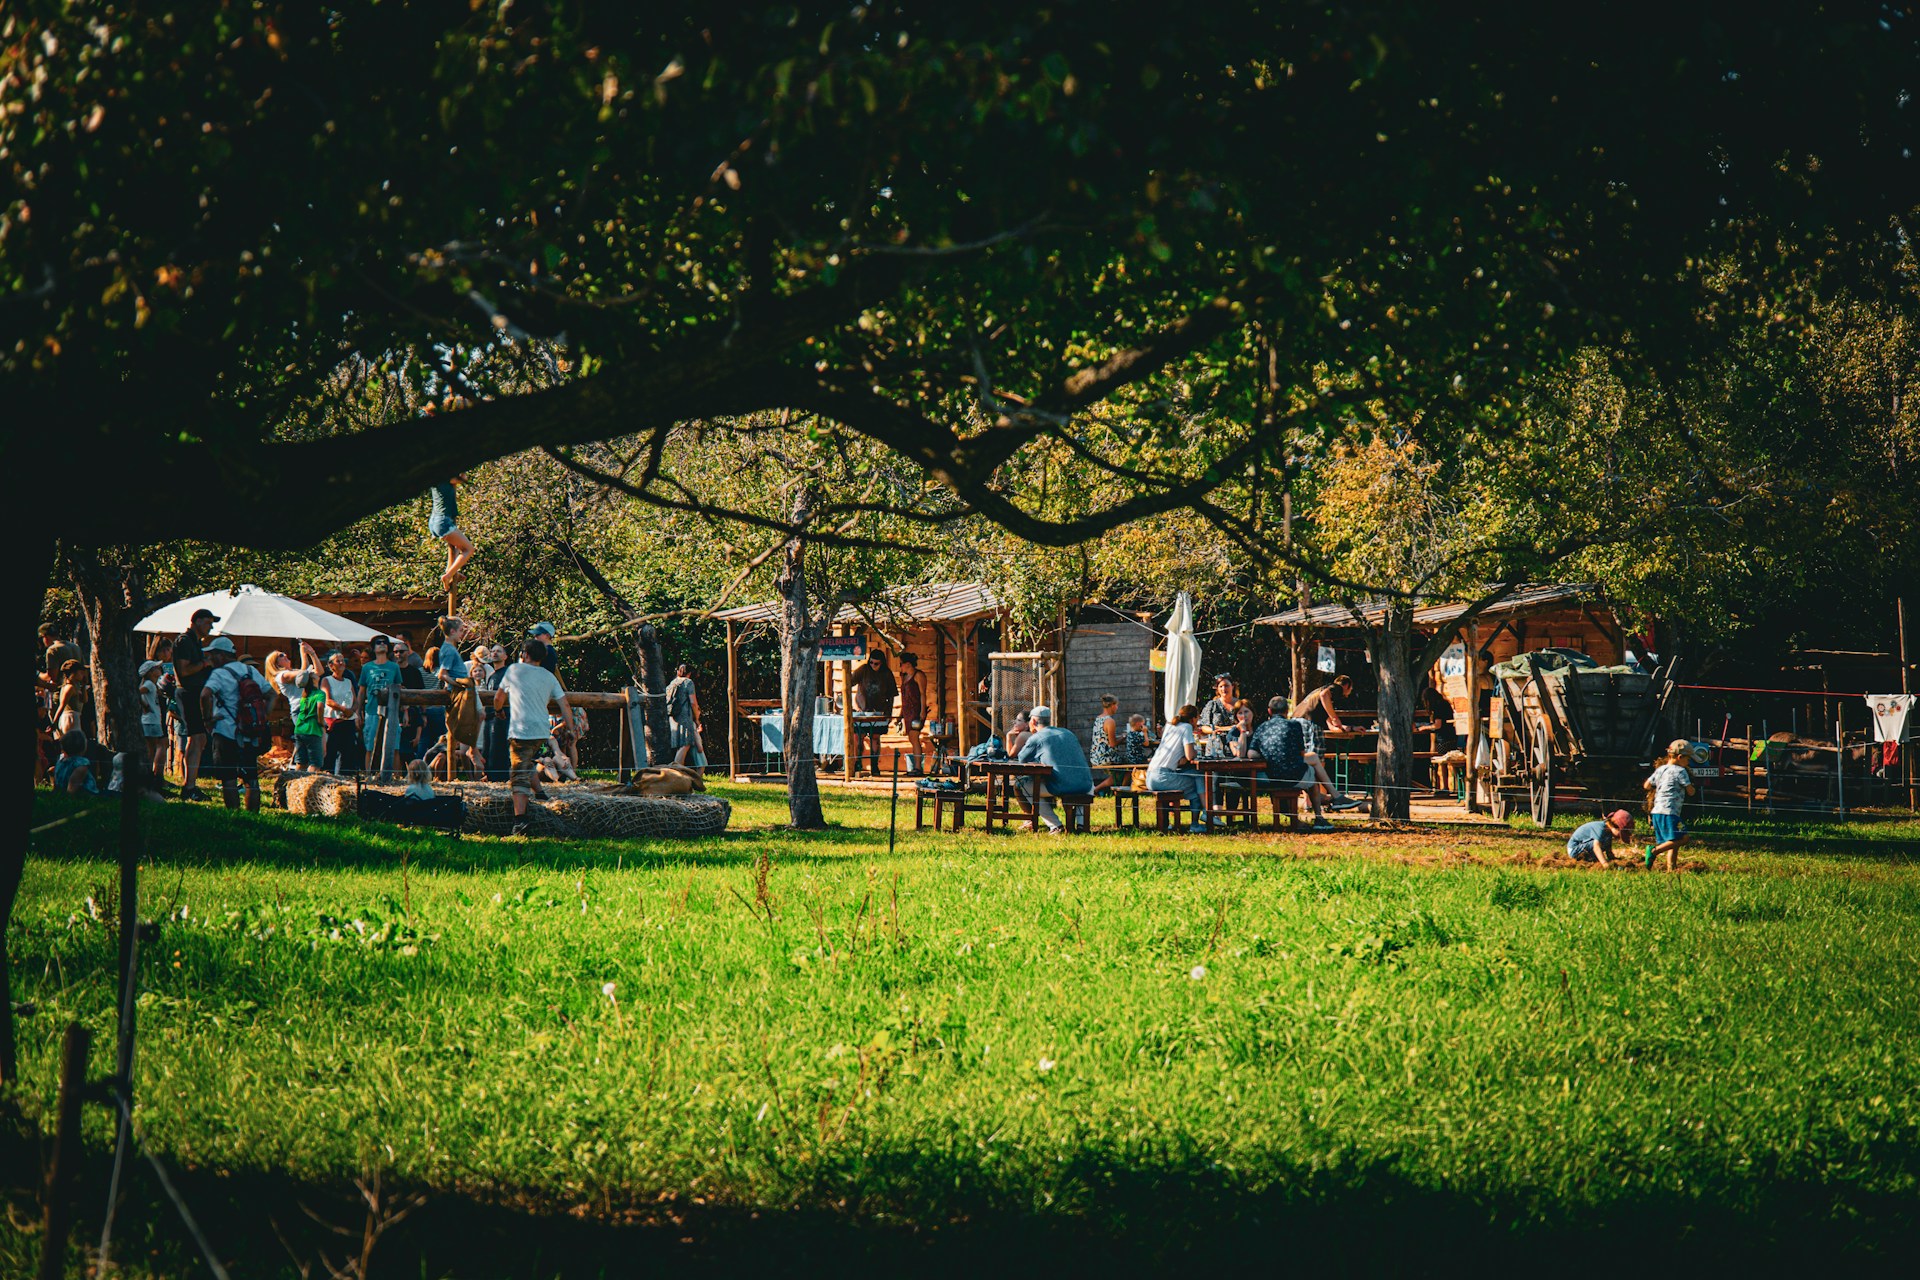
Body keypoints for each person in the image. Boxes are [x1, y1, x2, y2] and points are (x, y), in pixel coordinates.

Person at [494, 636, 573, 835]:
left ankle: (520, 821)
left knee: (518, 774)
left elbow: (498, 697)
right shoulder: (549, 676)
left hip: (521, 730)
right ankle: (541, 793)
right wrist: (570, 728)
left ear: (525, 654)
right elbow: (564, 704)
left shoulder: (514, 670)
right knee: (525, 762)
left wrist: (498, 710)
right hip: (540, 731)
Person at [199, 636, 267, 812]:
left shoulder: (220, 674)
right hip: (249, 732)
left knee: (228, 777)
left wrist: (207, 719)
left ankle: (234, 814)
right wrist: (262, 717)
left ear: (222, 655)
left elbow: (205, 695)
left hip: (225, 730)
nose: (211, 659)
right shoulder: (251, 671)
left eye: (213, 655)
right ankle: (253, 815)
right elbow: (271, 694)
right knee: (251, 777)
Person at [1247, 700, 1333, 830]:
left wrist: (1266, 755)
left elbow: (1251, 754)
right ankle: (1319, 817)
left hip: (1271, 777)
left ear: (1269, 711)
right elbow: (1302, 753)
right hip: (1294, 776)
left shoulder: (1261, 727)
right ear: (1287, 712)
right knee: (1312, 772)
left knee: (1308, 767)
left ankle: (1296, 818)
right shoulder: (1294, 725)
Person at [1013, 705, 1095, 833]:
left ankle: (1055, 825)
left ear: (1033, 721)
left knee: (1022, 785)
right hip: (1087, 785)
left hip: (1061, 786)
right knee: (1077, 781)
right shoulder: (1068, 733)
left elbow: (1021, 759)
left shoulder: (1036, 738)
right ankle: (1081, 825)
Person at [171, 606, 219, 800]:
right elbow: (183, 671)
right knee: (196, 738)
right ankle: (189, 786)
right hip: (188, 693)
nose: (210, 627)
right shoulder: (184, 641)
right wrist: (205, 663)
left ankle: (190, 783)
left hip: (195, 693)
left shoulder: (195, 642)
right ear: (197, 621)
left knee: (200, 739)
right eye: (208, 623)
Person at [1146, 703, 1212, 832]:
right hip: (1163, 777)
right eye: (1197, 719)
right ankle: (1196, 823)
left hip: (1150, 775)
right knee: (1196, 785)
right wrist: (1196, 751)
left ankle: (1167, 823)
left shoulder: (1170, 726)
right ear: (1193, 719)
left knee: (1193, 776)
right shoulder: (1187, 727)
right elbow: (1190, 755)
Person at [1644, 739, 1696, 870]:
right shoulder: (1680, 771)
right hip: (1670, 812)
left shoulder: (1661, 769)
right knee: (1684, 838)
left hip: (1657, 811)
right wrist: (1692, 788)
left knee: (1673, 841)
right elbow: (1691, 792)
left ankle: (1671, 868)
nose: (1688, 762)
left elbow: (1647, 785)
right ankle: (1654, 851)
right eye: (1688, 759)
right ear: (1680, 757)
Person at [355, 635, 404, 764]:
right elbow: (361, 691)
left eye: (384, 642)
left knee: (394, 748)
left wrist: (405, 711)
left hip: (391, 712)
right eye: (378, 643)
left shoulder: (394, 667)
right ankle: (369, 777)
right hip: (372, 711)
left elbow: (400, 690)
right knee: (370, 748)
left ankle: (396, 779)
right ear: (373, 647)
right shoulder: (367, 668)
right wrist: (358, 712)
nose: (382, 644)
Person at [852, 650, 896, 775]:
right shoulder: (863, 670)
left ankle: (874, 765)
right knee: (858, 738)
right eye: (871, 663)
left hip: (879, 712)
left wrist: (889, 712)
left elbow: (892, 695)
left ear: (882, 663)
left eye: (876, 664)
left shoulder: (887, 674)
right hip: (862, 711)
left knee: (875, 738)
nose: (873, 666)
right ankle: (857, 763)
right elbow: (849, 682)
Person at [1288, 674, 1353, 755]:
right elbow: (1324, 695)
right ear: (1347, 686)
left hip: (1295, 719)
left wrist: (1350, 728)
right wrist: (1335, 718)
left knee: (1301, 754)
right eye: (1351, 689)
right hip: (1309, 720)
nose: (1350, 692)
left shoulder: (1323, 699)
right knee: (1316, 756)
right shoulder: (1336, 688)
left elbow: (1331, 726)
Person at [428, 478, 476, 589]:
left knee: (457, 548)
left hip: (435, 521)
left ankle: (452, 571)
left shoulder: (435, 481)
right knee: (468, 549)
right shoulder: (448, 478)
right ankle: (448, 575)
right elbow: (463, 479)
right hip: (443, 521)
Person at [321, 649, 360, 774]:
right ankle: (329, 775)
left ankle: (345, 777)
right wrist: (343, 709)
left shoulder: (348, 681)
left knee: (348, 752)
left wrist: (352, 710)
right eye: (338, 661)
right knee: (331, 751)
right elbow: (328, 700)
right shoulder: (327, 680)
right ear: (331, 665)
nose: (342, 663)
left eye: (343, 660)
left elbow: (356, 700)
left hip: (348, 720)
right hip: (334, 721)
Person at [666, 662, 705, 768]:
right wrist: (696, 718)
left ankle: (678, 769)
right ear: (689, 673)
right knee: (685, 744)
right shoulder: (688, 682)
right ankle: (675, 770)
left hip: (673, 717)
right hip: (684, 717)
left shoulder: (672, 683)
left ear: (678, 671)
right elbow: (693, 702)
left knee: (680, 745)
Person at [139, 660, 170, 785]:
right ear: (151, 672)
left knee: (152, 748)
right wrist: (145, 705)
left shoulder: (152, 684)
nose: (160, 669)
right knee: (151, 750)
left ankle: (150, 774)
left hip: (154, 720)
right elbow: (137, 692)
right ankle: (149, 775)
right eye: (157, 667)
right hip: (151, 721)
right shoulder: (149, 685)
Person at [1568, 809, 1635, 866]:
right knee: (1598, 844)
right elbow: (1596, 847)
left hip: (1585, 846)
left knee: (1605, 842)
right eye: (1620, 834)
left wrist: (1614, 859)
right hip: (1574, 849)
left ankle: (1591, 858)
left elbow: (1608, 851)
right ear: (1615, 828)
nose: (1619, 837)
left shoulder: (1608, 833)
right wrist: (1605, 864)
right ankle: (1588, 858)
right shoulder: (1601, 828)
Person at [1196, 673, 1240, 758]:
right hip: (1216, 747)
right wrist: (1214, 731)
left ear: (1232, 686)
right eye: (1221, 686)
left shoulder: (1240, 704)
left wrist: (1222, 728)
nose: (1224, 689)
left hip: (1236, 745)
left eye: (1226, 685)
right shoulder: (1212, 705)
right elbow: (1202, 726)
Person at [896, 653, 927, 775]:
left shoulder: (918, 675)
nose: (900, 667)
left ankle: (918, 767)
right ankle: (916, 766)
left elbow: (923, 694)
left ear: (907, 664)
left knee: (915, 738)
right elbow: (904, 697)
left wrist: (923, 711)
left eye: (901, 664)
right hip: (907, 712)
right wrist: (900, 715)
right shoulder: (904, 677)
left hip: (916, 711)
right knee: (911, 738)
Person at [290, 670, 326, 770]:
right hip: (312, 729)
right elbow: (319, 707)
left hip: (300, 729)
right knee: (315, 763)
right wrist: (321, 721)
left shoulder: (304, 694)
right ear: (313, 680)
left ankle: (296, 781)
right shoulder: (320, 694)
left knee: (301, 762)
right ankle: (309, 783)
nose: (316, 673)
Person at [1088, 694, 1123, 791]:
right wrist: (1124, 737)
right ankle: (1121, 791)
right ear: (1112, 705)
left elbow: (1104, 739)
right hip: (1105, 757)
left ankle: (1099, 789)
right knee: (1130, 765)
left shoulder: (1098, 718)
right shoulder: (1110, 721)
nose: (1117, 708)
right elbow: (1112, 744)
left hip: (1095, 756)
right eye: (1116, 705)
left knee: (1122, 771)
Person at [51, 660, 88, 740]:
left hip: (75, 717)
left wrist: (84, 685)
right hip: (70, 718)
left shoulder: (75, 687)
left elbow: (84, 700)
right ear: (73, 673)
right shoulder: (69, 688)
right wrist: (54, 723)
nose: (83, 674)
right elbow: (62, 706)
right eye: (80, 672)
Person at [52, 729, 98, 795]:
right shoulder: (80, 765)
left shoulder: (60, 762)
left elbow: (56, 785)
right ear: (83, 747)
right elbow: (72, 787)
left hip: (62, 792)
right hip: (86, 795)